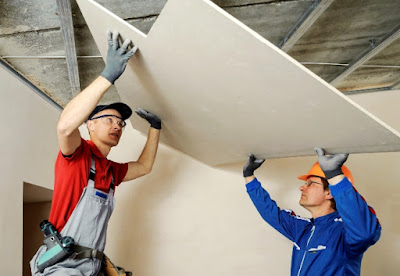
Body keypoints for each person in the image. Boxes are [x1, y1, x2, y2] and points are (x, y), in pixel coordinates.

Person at [30, 31, 161, 275]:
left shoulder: (111, 171)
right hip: (63, 268)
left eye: (121, 124)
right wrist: (107, 75)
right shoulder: (77, 155)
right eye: (110, 119)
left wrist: (156, 128)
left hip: (92, 267)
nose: (116, 125)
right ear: (90, 124)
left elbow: (144, 166)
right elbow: (64, 126)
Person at [243, 147, 381, 276]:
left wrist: (334, 174)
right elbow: (271, 213)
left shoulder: (344, 231)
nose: (302, 188)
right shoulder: (303, 228)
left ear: (329, 193)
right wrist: (248, 176)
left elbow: (365, 233)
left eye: (310, 183)